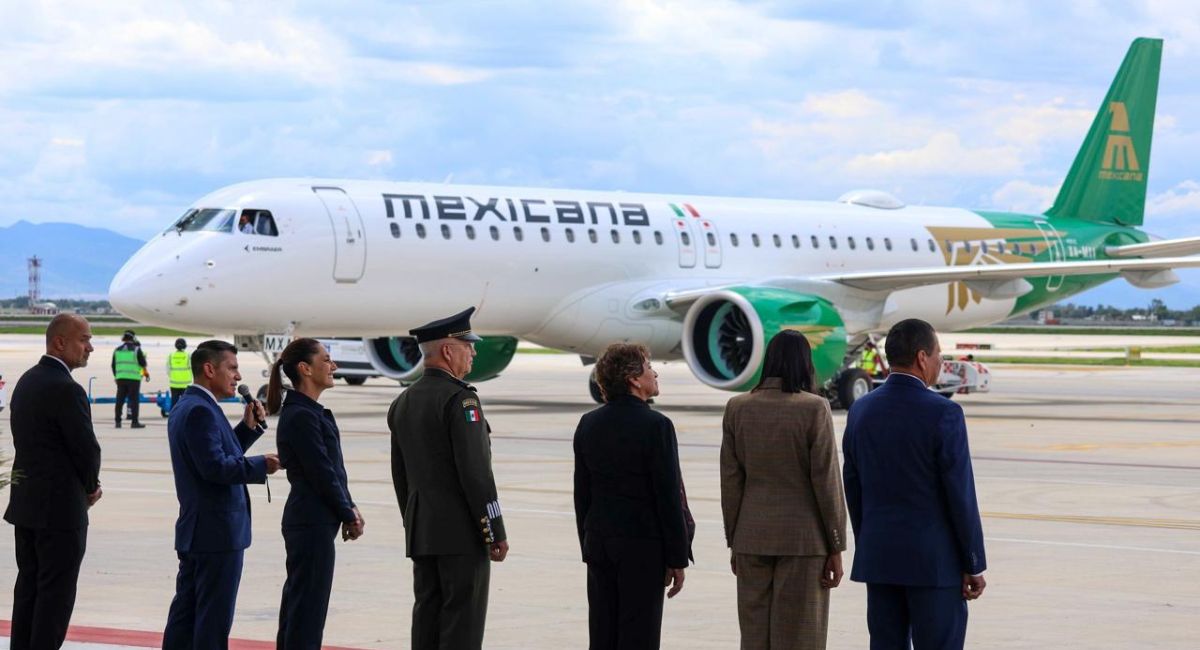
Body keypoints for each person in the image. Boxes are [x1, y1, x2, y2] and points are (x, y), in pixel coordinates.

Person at [842, 319, 987, 650]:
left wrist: (869, 542)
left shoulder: (860, 410)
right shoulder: (944, 412)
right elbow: (960, 495)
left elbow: (853, 486)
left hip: (879, 558)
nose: (940, 361)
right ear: (922, 358)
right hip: (933, 564)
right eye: (938, 354)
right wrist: (973, 562)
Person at [388, 307, 508, 650]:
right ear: (447, 351)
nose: (473, 353)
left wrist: (413, 522)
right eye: (467, 346)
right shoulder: (461, 400)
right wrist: (493, 530)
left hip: (422, 532)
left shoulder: (403, 401)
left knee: (427, 616)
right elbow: (476, 473)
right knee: (462, 624)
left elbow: (400, 476)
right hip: (461, 533)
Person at [721, 330, 847, 650]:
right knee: (800, 636)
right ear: (805, 363)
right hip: (804, 541)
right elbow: (826, 482)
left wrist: (735, 540)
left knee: (754, 637)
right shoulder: (814, 408)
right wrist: (836, 545)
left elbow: (731, 482)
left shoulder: (737, 407)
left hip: (751, 537)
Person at [162, 340, 281, 648]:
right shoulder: (201, 411)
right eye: (232, 368)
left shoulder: (189, 406)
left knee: (186, 615)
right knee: (212, 620)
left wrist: (247, 429)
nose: (238, 376)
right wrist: (261, 465)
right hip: (216, 533)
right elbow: (214, 468)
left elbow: (214, 455)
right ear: (209, 369)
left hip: (200, 531)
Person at [573, 342, 689, 650]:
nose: (655, 374)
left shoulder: (588, 423)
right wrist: (677, 557)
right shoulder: (657, 426)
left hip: (600, 543)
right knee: (639, 635)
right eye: (649, 367)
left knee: (602, 634)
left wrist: (587, 544)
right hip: (642, 547)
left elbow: (582, 494)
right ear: (634, 379)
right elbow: (668, 496)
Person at [4, 314, 102, 649]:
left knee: (29, 590)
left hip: (27, 507)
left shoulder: (27, 381)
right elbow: (86, 449)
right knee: (55, 598)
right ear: (60, 342)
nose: (89, 348)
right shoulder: (67, 389)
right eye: (84, 340)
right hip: (60, 512)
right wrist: (91, 487)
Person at [269, 338, 364, 648]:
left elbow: (332, 470)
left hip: (316, 520)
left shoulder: (308, 412)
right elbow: (321, 472)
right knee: (306, 612)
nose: (333, 365)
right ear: (305, 369)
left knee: (304, 607)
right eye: (326, 360)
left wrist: (349, 507)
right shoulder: (301, 415)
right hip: (310, 521)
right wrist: (347, 513)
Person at [112, 329, 148, 428]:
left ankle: (118, 422)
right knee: (134, 400)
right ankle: (134, 422)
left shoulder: (117, 350)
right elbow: (143, 363)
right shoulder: (136, 349)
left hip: (121, 378)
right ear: (133, 338)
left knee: (119, 400)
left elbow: (113, 365)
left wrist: (116, 376)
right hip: (134, 379)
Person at [167, 338, 193, 411]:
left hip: (174, 384)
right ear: (185, 345)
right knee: (186, 404)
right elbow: (192, 368)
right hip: (186, 384)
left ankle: (173, 417)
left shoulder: (171, 356)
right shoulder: (188, 356)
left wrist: (173, 376)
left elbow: (168, 369)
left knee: (174, 403)